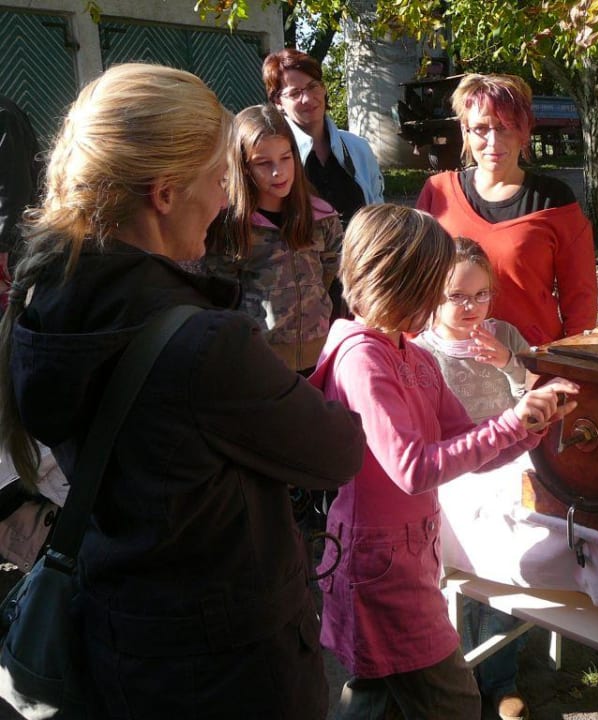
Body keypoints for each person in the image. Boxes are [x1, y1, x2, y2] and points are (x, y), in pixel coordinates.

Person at [0, 63, 366, 719]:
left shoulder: (45, 300)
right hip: (227, 668)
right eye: (217, 178)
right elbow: (338, 451)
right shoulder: (202, 345)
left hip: (122, 640)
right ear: (164, 194)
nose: (228, 199)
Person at [309, 204, 578, 719]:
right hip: (378, 568)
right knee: (453, 701)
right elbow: (413, 469)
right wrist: (513, 425)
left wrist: (532, 427)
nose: (443, 301)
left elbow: (465, 441)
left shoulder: (413, 356)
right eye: (435, 287)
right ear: (396, 284)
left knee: (378, 695)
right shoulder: (364, 359)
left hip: (408, 557)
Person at [412, 236, 530, 720]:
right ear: (432, 296)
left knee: (508, 568)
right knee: (459, 582)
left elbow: (534, 396)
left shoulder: (504, 334)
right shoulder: (421, 350)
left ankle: (501, 679)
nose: (471, 307)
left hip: (507, 472)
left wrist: (507, 362)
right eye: (457, 296)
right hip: (453, 483)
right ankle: (457, 676)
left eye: (481, 295)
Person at [416, 73, 598, 346]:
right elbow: (412, 284)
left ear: (524, 131)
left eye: (505, 127)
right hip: (451, 367)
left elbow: (581, 302)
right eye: (480, 128)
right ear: (464, 130)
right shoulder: (438, 193)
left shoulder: (553, 200)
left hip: (530, 369)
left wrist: (569, 367)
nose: (493, 142)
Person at [203, 103, 342, 375]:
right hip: (259, 362)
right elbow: (221, 294)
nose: (278, 172)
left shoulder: (322, 218)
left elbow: (331, 277)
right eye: (263, 163)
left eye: (286, 158)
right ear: (243, 166)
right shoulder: (229, 225)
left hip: (322, 356)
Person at [262, 47, 384, 231]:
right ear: (278, 102)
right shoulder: (274, 156)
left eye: (312, 86)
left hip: (360, 256)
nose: (308, 98)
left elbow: (378, 212)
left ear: (323, 87)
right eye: (295, 93)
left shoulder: (358, 148)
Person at [0, 94, 40, 307]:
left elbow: (13, 186)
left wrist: (3, 243)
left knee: (7, 306)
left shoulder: (3, 115)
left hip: (8, 234)